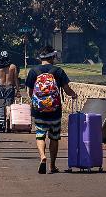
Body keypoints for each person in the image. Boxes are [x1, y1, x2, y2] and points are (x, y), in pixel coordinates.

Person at [26, 45, 78, 174]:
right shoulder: (58, 71)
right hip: (55, 111)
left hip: (39, 111)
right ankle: (52, 165)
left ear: (40, 58)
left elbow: (30, 92)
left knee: (40, 135)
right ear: (53, 57)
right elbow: (66, 90)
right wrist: (74, 94)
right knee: (54, 137)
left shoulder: (33, 71)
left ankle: (42, 156)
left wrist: (37, 101)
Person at [0, 51, 20, 130]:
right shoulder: (13, 67)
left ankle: (2, 123)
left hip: (0, 88)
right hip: (9, 87)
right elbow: (15, 79)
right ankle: (8, 121)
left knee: (1, 106)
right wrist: (18, 90)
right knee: (9, 105)